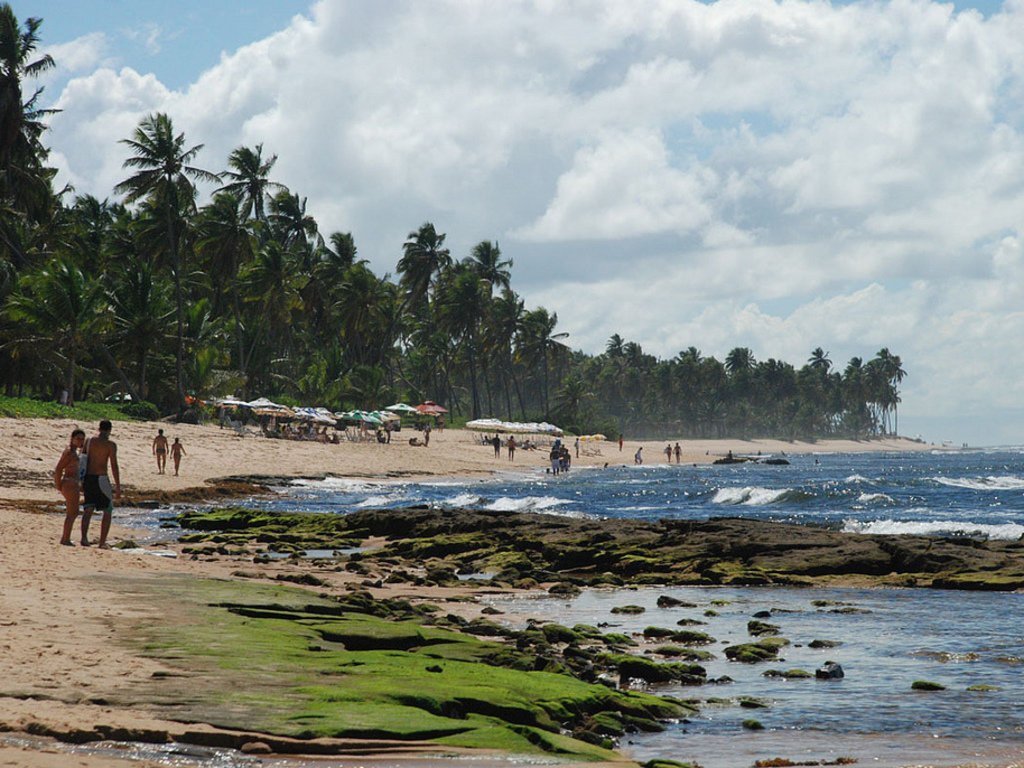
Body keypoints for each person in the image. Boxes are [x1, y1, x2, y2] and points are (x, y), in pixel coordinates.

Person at [81, 420, 120, 549]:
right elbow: (114, 465)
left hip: (88, 477)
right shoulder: (110, 445)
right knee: (107, 510)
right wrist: (118, 486)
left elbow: (82, 459)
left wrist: (80, 479)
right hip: (101, 478)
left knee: (88, 509)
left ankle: (84, 538)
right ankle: (102, 542)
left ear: (99, 428)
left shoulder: (89, 441)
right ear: (110, 430)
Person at [54, 429, 86, 545]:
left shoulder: (74, 452)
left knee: (73, 512)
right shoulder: (70, 452)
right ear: (72, 439)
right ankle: (65, 538)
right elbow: (58, 469)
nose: (80, 441)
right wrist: (58, 485)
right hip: (69, 483)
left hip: (73, 483)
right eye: (78, 439)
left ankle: (66, 537)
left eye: (82, 439)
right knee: (72, 512)